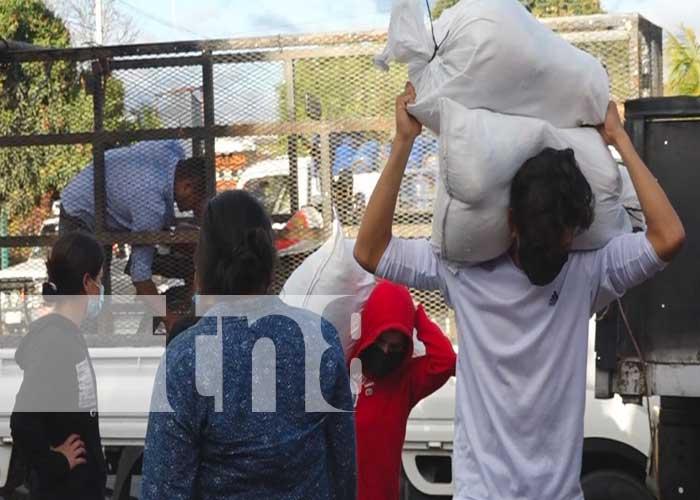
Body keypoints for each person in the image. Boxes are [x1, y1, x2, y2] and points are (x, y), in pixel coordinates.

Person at [353, 83, 685, 500]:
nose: (555, 254)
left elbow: (370, 249)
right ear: (509, 221)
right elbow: (667, 236)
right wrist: (618, 138)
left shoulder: (466, 271)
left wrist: (405, 142)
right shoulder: (583, 273)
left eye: (563, 242)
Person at [140, 190, 356, 500]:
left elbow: (163, 488)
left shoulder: (188, 357)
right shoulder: (318, 338)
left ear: (204, 267)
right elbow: (343, 465)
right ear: (269, 263)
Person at [11, 232, 107, 500]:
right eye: (99, 280)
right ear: (87, 282)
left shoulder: (68, 335)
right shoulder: (54, 341)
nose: (101, 288)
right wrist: (56, 462)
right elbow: (22, 421)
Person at [60, 140, 206, 310]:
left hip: (102, 205)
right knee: (84, 295)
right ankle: (82, 332)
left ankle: (96, 327)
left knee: (97, 291)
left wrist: (174, 232)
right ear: (186, 186)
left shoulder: (173, 151)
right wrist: (168, 318)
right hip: (81, 214)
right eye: (200, 200)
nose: (197, 209)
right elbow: (140, 275)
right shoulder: (150, 203)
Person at [352, 280, 456, 500]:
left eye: (395, 347)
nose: (385, 352)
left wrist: (416, 313)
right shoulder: (346, 366)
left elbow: (446, 361)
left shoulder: (405, 381)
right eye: (380, 341)